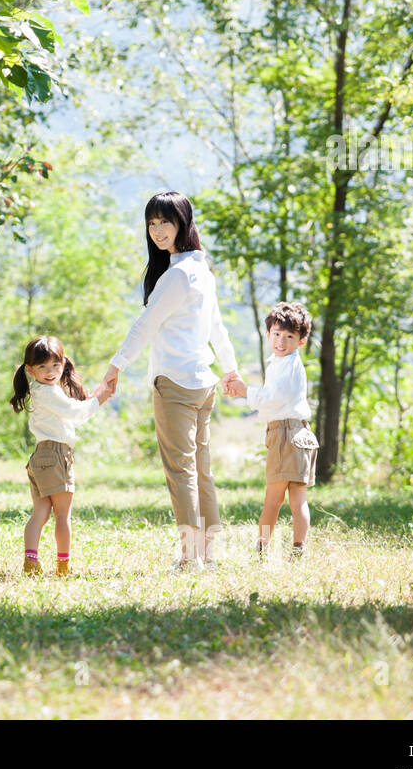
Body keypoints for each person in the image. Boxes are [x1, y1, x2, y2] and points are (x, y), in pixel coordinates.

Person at [101, 191, 241, 571]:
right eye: (152, 223)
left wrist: (115, 367)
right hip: (203, 383)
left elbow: (144, 325)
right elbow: (218, 328)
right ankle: (209, 554)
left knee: (181, 472)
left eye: (166, 222)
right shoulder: (201, 271)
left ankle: (190, 557)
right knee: (201, 470)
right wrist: (230, 369)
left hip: (176, 385)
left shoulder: (176, 276)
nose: (158, 231)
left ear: (184, 223)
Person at [9, 335, 114, 577]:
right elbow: (74, 414)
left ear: (63, 363)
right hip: (56, 455)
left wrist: (87, 401)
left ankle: (31, 561)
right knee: (62, 516)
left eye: (55, 365)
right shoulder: (49, 392)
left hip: (39, 457)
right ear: (30, 369)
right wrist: (100, 399)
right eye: (42, 367)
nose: (50, 371)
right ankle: (63, 566)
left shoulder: (39, 390)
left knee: (40, 514)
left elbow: (68, 410)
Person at [225, 302, 318, 558]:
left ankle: (262, 548)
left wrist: (245, 391)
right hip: (302, 433)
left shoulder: (285, 364)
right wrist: (246, 392)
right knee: (298, 500)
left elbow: (272, 399)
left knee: (274, 499)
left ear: (301, 341)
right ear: (267, 334)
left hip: (286, 433)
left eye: (290, 336)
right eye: (276, 334)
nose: (281, 341)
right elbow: (274, 398)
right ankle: (299, 548)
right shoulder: (288, 363)